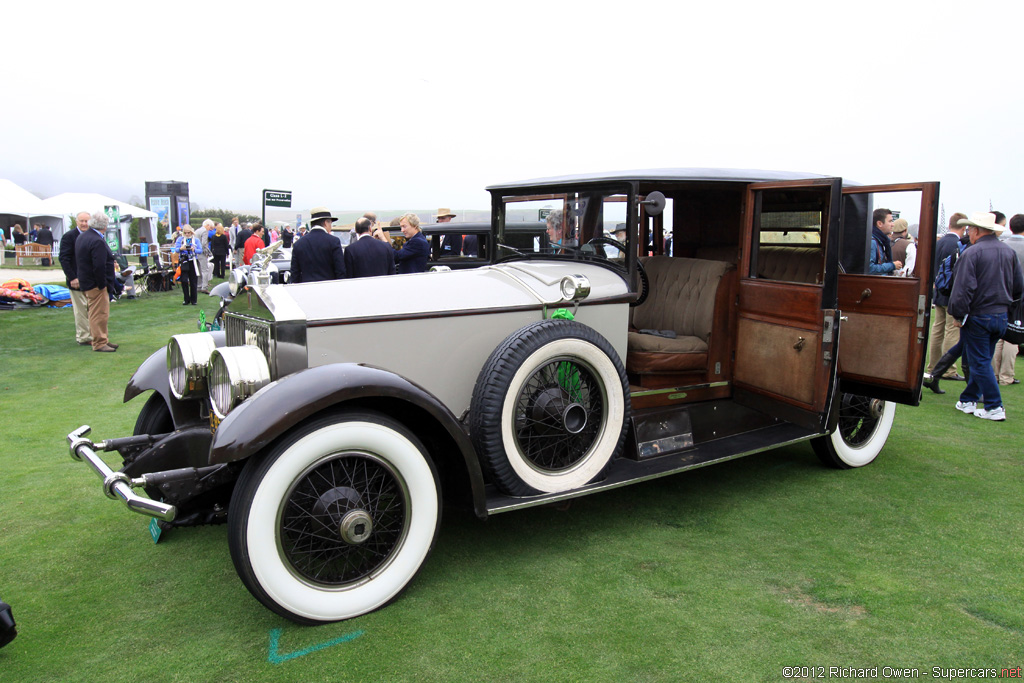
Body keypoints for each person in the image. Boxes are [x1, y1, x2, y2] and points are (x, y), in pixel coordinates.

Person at [947, 212, 1024, 421]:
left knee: (979, 362)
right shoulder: (1008, 252)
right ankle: (968, 399)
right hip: (1001, 315)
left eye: (970, 229)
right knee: (982, 359)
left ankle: (994, 406)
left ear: (977, 230)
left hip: (979, 315)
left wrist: (958, 314)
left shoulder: (972, 253)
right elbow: (1018, 286)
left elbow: (963, 289)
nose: (968, 232)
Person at [926, 212, 968, 384]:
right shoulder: (957, 244)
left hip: (939, 290)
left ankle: (933, 365)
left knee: (938, 328)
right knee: (952, 330)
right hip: (951, 292)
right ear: (964, 227)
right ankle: (948, 369)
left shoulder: (939, 242)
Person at [75, 211, 118, 352]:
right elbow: (98, 265)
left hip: (87, 281)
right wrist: (102, 284)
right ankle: (99, 342)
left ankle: (103, 338)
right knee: (98, 313)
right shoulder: (97, 240)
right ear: (104, 226)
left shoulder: (84, 237)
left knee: (99, 313)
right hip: (95, 284)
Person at [991, 213, 1024, 386]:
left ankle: (996, 374)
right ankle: (1006, 375)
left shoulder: (1003, 245)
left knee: (1000, 335)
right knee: (1014, 333)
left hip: (1001, 293)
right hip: (1019, 295)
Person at [59, 211, 93, 346]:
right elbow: (64, 259)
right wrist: (72, 277)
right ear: (76, 222)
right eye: (82, 221)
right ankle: (84, 337)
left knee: (92, 309)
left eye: (86, 221)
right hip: (76, 280)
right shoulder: (69, 237)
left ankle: (94, 335)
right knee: (81, 310)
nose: (84, 224)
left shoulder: (93, 235)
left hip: (91, 280)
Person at [290, 207, 345, 283]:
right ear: (326, 223)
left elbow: (295, 274)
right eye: (330, 223)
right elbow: (340, 271)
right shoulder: (333, 241)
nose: (331, 227)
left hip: (305, 290)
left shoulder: (298, 244)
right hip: (329, 289)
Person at [868, 208, 902, 275]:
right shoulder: (872, 242)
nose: (893, 224)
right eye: (890, 221)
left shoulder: (880, 241)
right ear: (879, 223)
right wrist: (892, 265)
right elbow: (869, 269)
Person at [175, 225, 203, 305]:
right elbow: (176, 249)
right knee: (184, 280)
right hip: (184, 261)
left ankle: (194, 300)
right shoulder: (180, 240)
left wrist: (194, 249)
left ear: (191, 232)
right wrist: (181, 249)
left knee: (193, 281)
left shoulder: (196, 240)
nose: (187, 234)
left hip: (193, 261)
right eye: (185, 233)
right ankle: (186, 299)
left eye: (188, 233)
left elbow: (200, 250)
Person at [196, 219, 213, 293]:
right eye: (210, 227)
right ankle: (204, 287)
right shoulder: (204, 231)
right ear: (208, 225)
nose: (210, 229)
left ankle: (199, 286)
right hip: (202, 253)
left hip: (196, 253)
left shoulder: (197, 230)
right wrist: (207, 253)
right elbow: (204, 244)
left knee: (199, 270)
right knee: (205, 270)